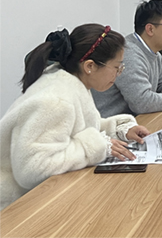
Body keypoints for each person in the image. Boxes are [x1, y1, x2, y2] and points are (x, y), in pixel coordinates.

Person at [0, 24, 150, 210]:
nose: (119, 74)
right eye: (116, 67)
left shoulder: (74, 82)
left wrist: (119, 129)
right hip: (16, 206)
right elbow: (31, 168)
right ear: (90, 66)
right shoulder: (57, 100)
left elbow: (77, 127)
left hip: (44, 195)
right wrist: (97, 147)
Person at [92, 0, 162, 117]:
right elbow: (142, 102)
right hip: (111, 124)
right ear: (150, 29)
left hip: (134, 121)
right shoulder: (129, 53)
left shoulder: (154, 52)